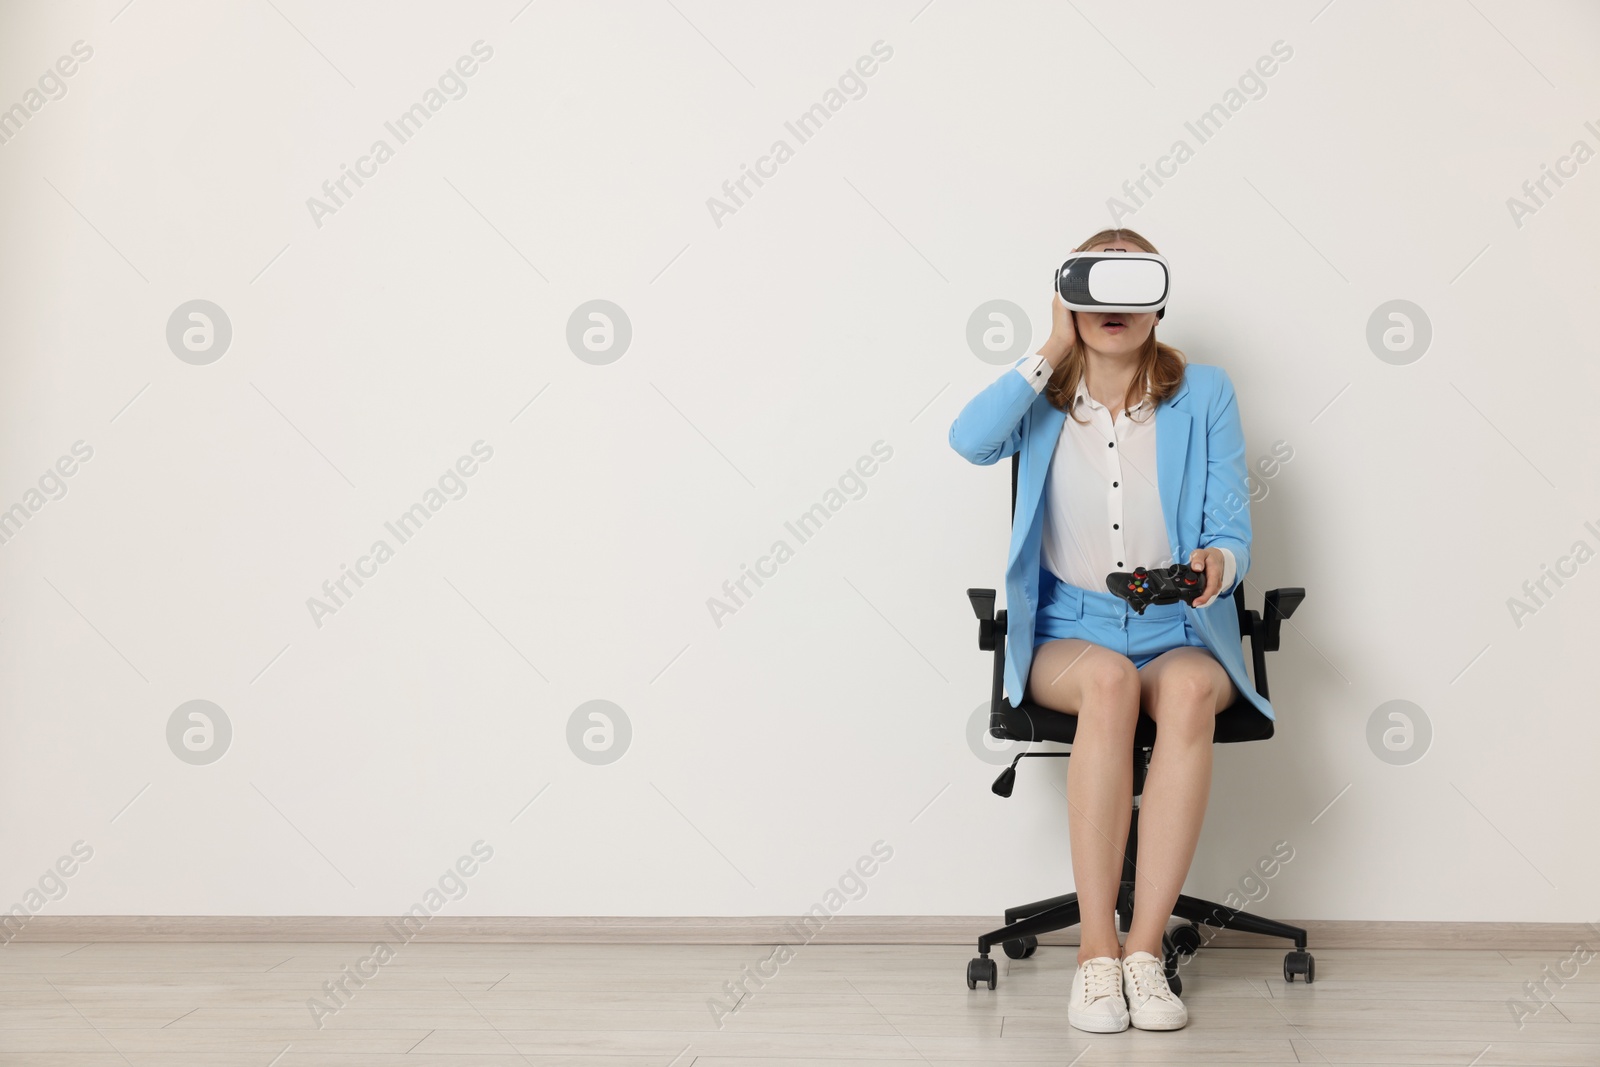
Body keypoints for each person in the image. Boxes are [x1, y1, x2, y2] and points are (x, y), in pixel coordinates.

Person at [948, 228, 1275, 1033]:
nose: (1112, 307)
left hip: (1179, 626)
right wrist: (1048, 346)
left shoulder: (1206, 393)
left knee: (1195, 687)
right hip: (1072, 628)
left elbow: (1232, 531)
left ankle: (1143, 951)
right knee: (1109, 679)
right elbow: (968, 441)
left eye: (1133, 287)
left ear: (1158, 301)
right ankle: (1097, 955)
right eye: (1093, 287)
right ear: (1069, 297)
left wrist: (1216, 568)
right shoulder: (1041, 401)